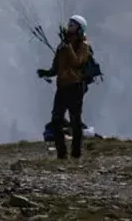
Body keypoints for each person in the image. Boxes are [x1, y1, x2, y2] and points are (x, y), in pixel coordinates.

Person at [37, 14, 91, 160]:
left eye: (72, 25)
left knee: (75, 120)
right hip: (62, 87)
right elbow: (56, 67)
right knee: (56, 120)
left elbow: (77, 62)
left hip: (75, 86)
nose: (69, 27)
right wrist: (46, 72)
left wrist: (67, 46)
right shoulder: (62, 45)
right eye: (69, 24)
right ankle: (62, 154)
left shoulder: (84, 46)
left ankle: (76, 153)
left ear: (79, 29)